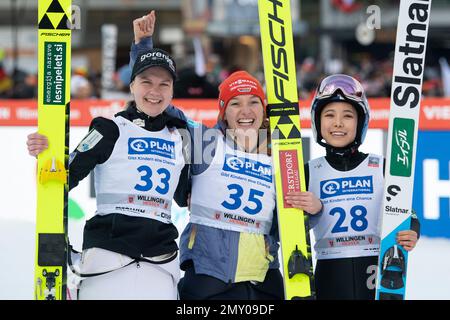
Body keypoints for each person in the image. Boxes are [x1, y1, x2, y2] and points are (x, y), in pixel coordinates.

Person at [131, 11, 322, 300]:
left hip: (262, 282)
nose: (246, 112)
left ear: (264, 109)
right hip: (208, 280)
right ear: (224, 113)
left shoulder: (282, 156)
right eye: (235, 104)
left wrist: (313, 211)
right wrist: (143, 49)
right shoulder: (206, 142)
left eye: (254, 103)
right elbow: (159, 104)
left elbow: (294, 227)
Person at [27, 47, 190, 300]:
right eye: (146, 82)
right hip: (107, 255)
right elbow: (62, 178)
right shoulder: (109, 129)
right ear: (132, 85)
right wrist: (45, 154)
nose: (155, 91)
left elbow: (187, 196)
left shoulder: (181, 137)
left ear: (172, 91)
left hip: (161, 260)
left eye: (164, 84)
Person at [295, 74, 420, 299]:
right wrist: (310, 212)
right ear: (317, 121)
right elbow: (288, 228)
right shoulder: (307, 172)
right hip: (329, 274)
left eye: (348, 116)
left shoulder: (382, 167)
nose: (338, 123)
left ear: (361, 122)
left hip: (374, 270)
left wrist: (412, 232)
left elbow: (408, 214)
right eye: (329, 115)